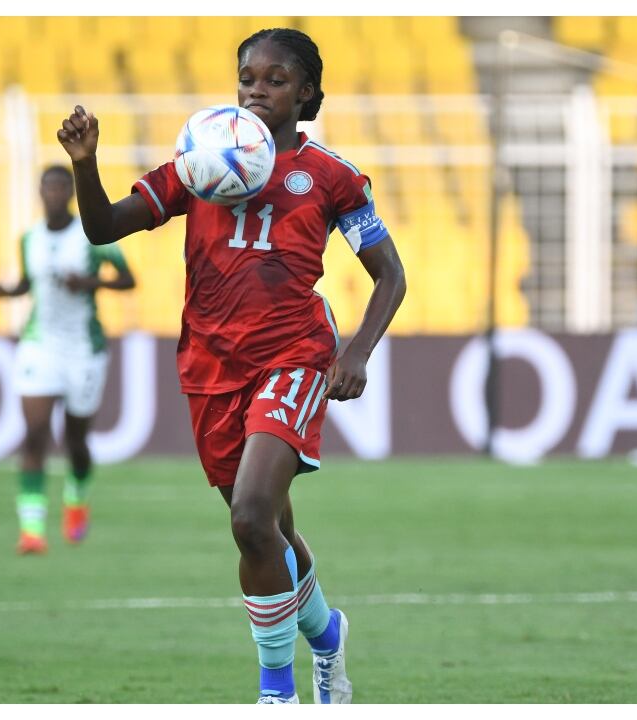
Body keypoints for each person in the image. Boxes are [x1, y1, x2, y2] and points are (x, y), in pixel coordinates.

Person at [55, 28, 406, 704]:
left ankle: (276, 691)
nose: (256, 89)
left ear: (305, 92)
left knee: (249, 517)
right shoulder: (199, 161)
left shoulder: (329, 175)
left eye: (275, 79)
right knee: (269, 532)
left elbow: (389, 275)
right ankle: (328, 637)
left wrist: (356, 351)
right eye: (248, 77)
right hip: (210, 367)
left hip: (294, 357)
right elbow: (103, 228)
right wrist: (84, 163)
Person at [0, 165, 136, 554]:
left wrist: (90, 283)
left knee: (76, 441)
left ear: (69, 193)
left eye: (59, 187)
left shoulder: (92, 236)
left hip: (84, 348)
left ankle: (76, 497)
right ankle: (32, 530)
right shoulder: (29, 239)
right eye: (47, 188)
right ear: (39, 192)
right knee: (35, 433)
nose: (53, 194)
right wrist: (7, 291)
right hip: (40, 344)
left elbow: (127, 279)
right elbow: (28, 282)